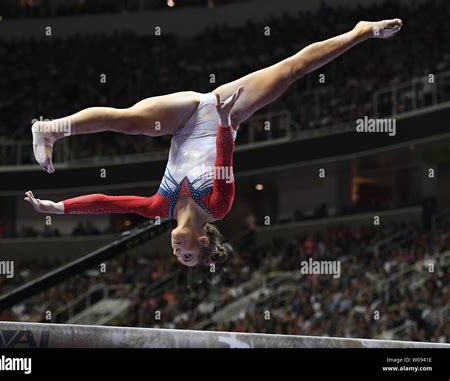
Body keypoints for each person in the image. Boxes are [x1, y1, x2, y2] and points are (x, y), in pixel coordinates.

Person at [25, 19, 403, 267]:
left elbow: (109, 203)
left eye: (179, 256)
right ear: (202, 241)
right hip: (222, 113)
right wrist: (223, 120)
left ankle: (52, 128)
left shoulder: (161, 207)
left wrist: (58, 208)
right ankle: (361, 32)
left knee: (132, 123)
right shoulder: (218, 206)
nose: (177, 252)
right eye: (187, 255)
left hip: (184, 115)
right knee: (292, 70)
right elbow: (224, 163)